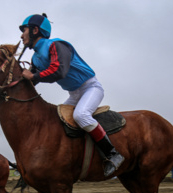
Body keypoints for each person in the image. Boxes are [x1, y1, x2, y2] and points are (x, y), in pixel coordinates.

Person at [19, 13, 124, 177]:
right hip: (74, 94)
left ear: (35, 30)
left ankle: (113, 154)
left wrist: (33, 76)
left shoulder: (56, 45)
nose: (21, 35)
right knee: (57, 119)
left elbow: (59, 70)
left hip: (91, 88)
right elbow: (30, 82)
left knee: (81, 115)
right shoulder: (36, 58)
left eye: (24, 30)